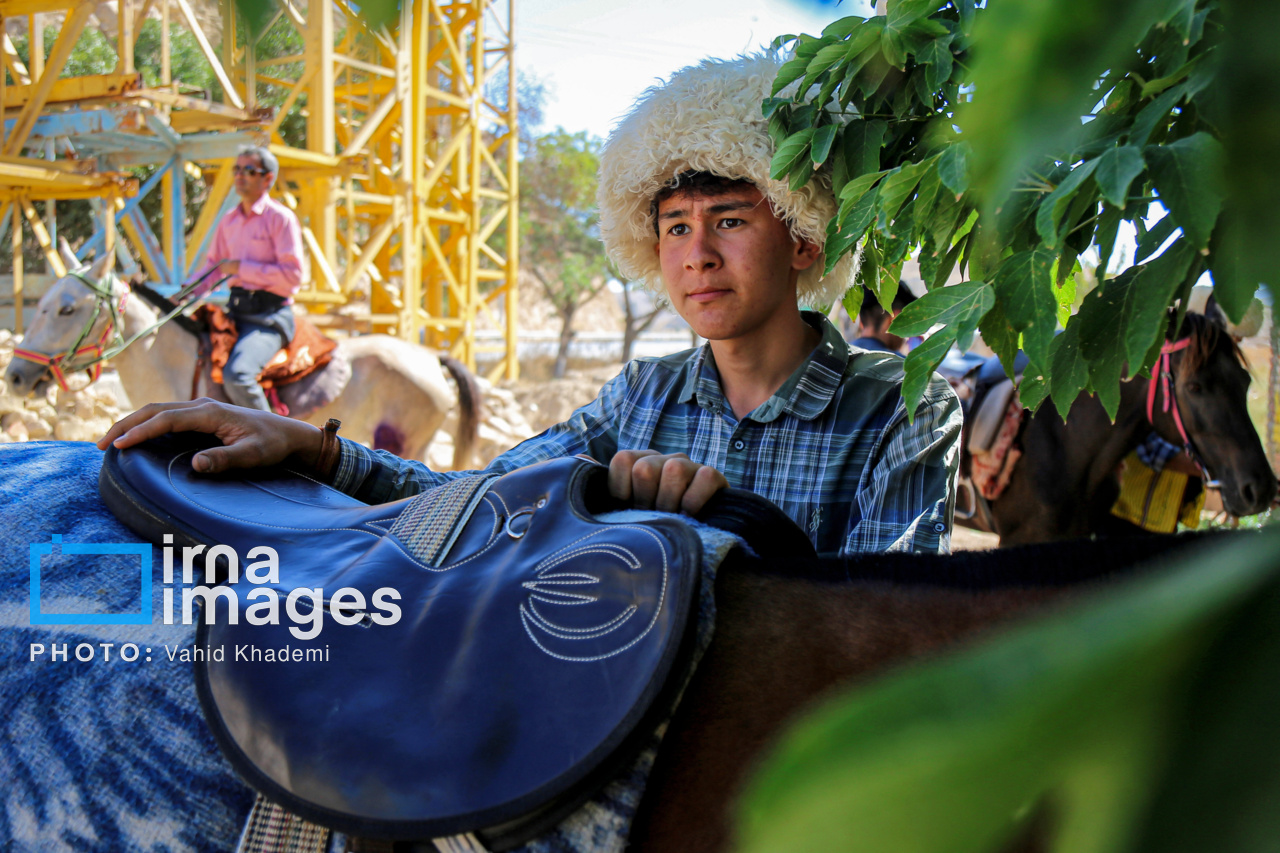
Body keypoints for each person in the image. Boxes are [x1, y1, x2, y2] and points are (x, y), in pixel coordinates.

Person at [100, 54, 961, 556]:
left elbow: (889, 644)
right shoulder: (639, 398)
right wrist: (312, 447)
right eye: (674, 229)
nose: (697, 254)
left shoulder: (903, 410)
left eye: (731, 222)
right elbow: (477, 495)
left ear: (804, 238)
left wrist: (726, 529)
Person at [191, 146, 307, 411]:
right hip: (235, 314)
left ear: (267, 179)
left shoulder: (281, 219)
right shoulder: (229, 221)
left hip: (268, 319)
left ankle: (271, 439)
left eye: (249, 170)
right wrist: (188, 292)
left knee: (238, 377)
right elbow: (214, 267)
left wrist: (241, 268)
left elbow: (292, 277)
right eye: (237, 169)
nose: (240, 175)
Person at [852, 281, 916, 355]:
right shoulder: (898, 364)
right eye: (907, 324)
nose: (906, 337)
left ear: (861, 322)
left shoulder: (840, 358)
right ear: (895, 318)